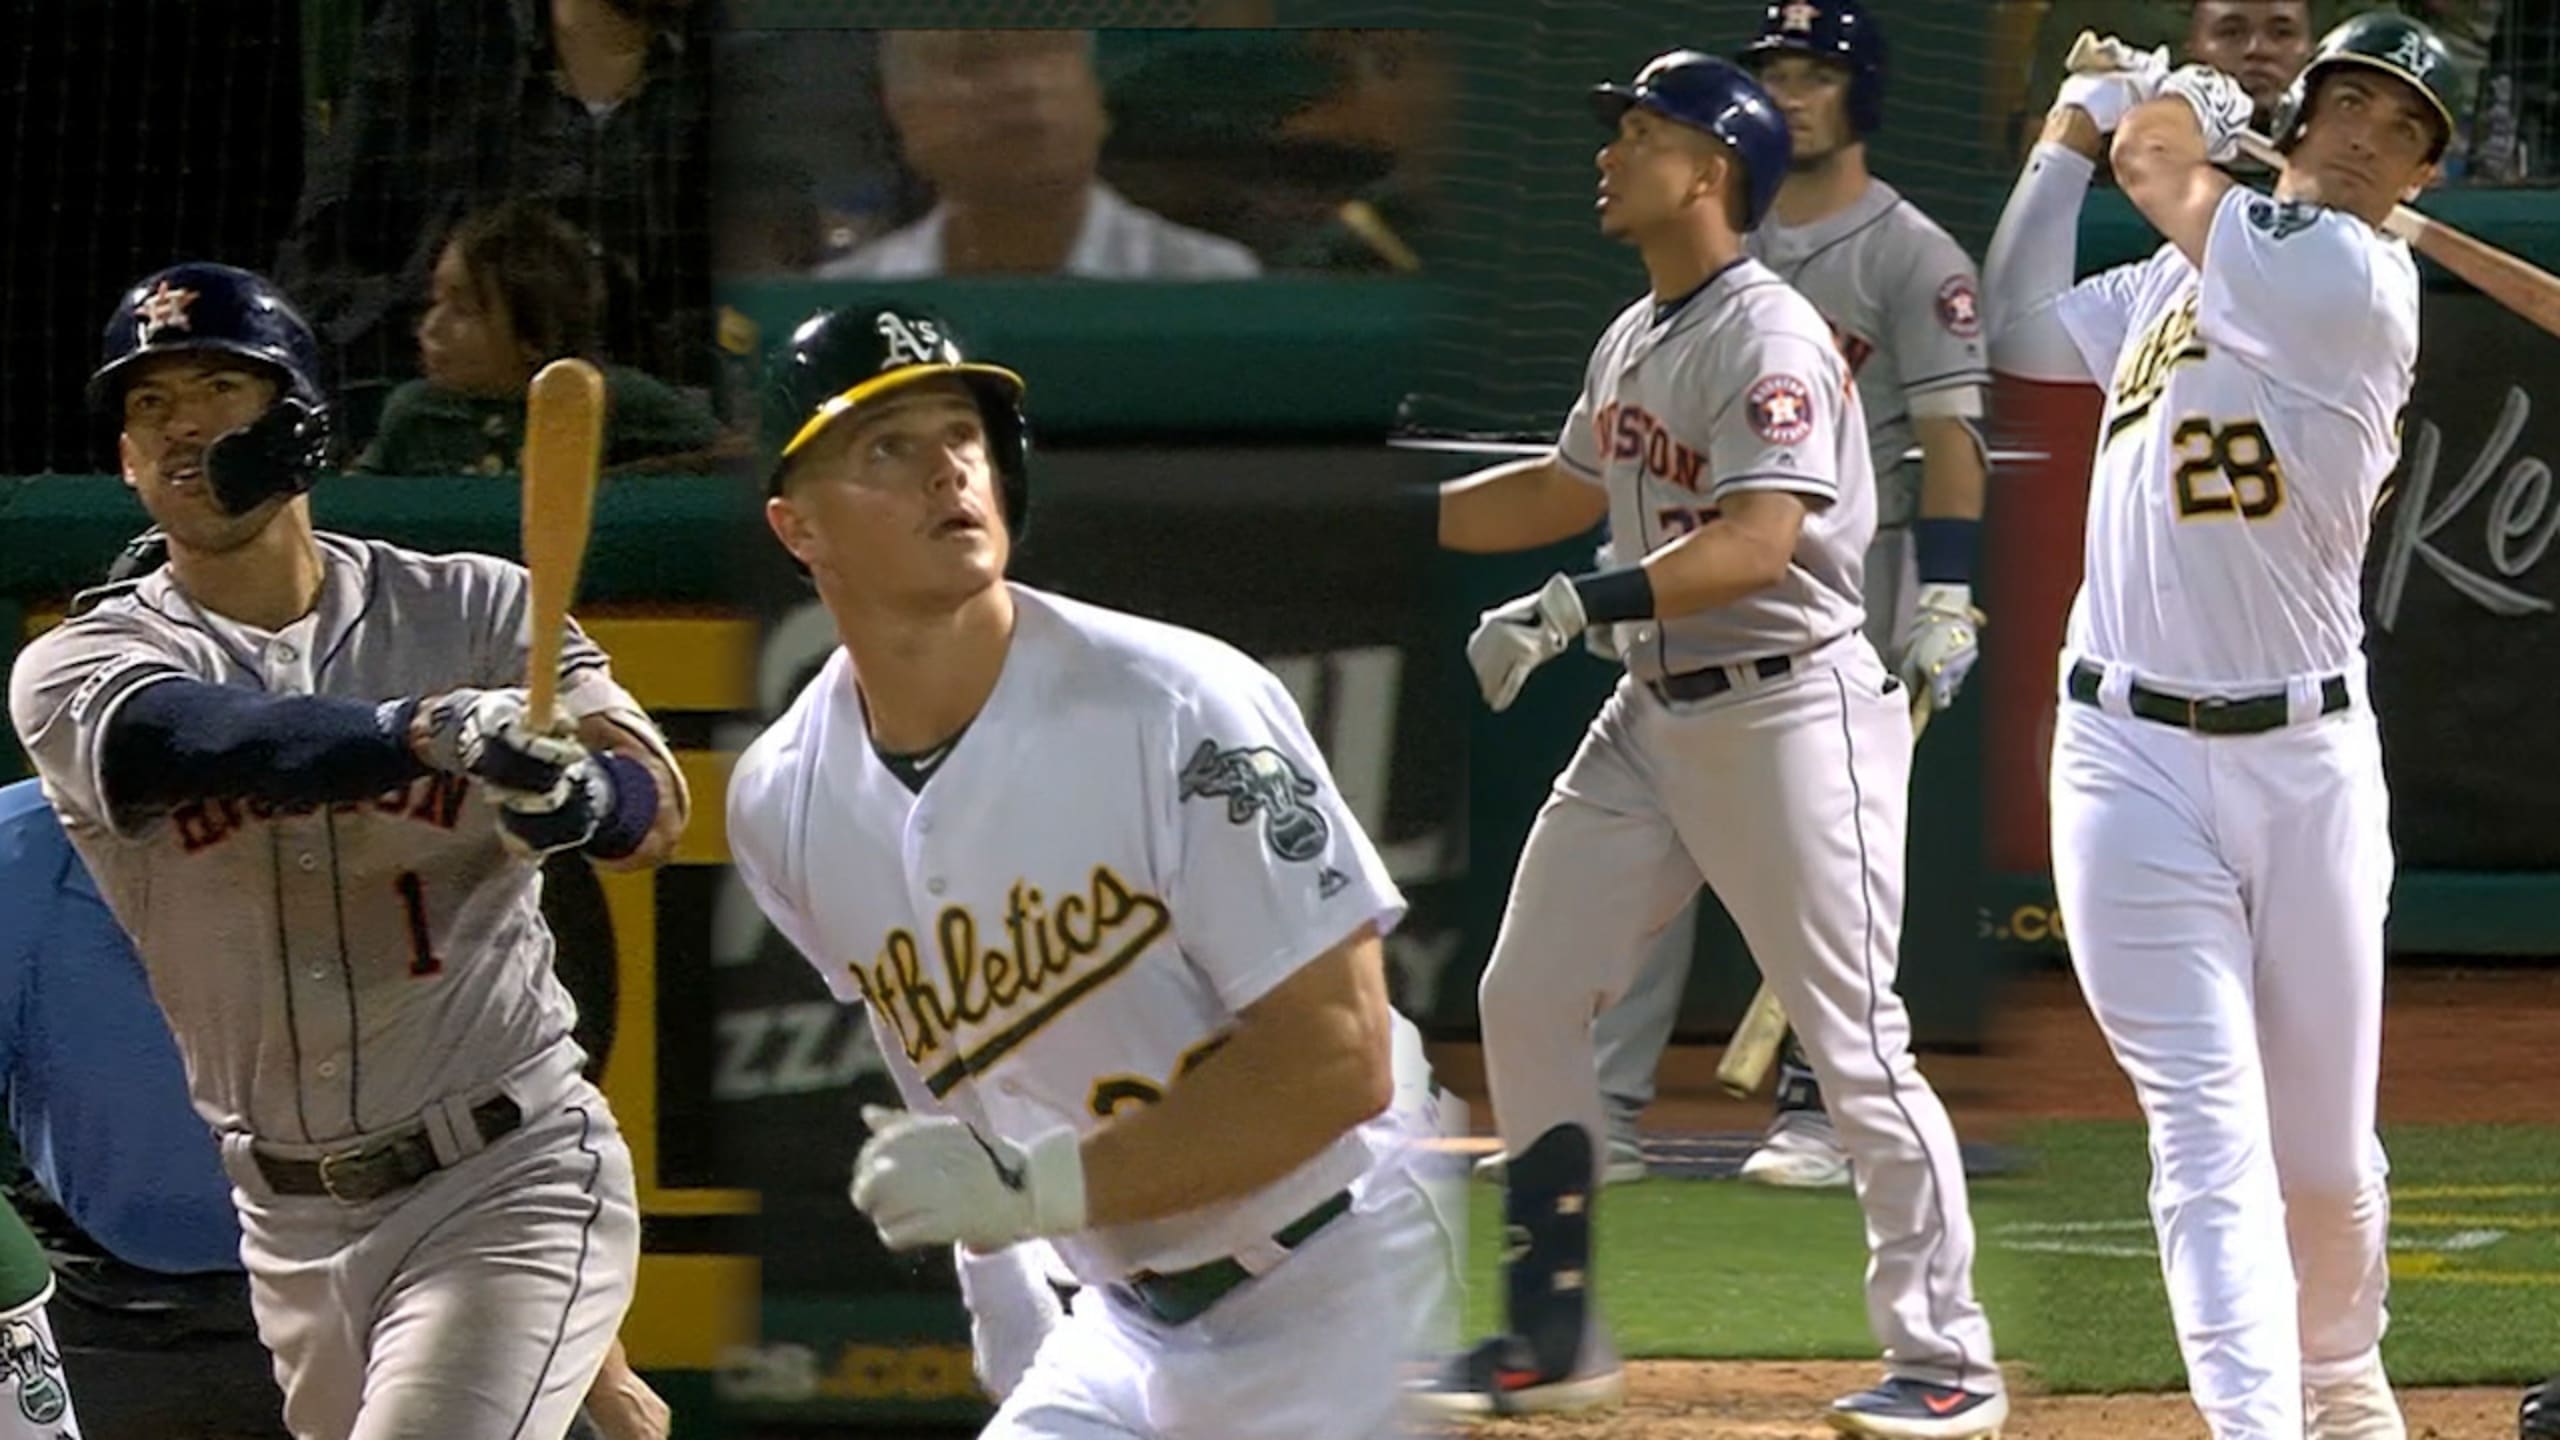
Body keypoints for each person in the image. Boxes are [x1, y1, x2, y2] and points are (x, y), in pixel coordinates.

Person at [1409, 51, 2004, 1436]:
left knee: (1857, 1048)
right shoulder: (1638, 330)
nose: (1609, 152)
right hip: (1652, 715)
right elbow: (1567, 483)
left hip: (1791, 712)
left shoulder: (1771, 337)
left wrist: (1573, 606)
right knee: (1526, 993)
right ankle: (1552, 1333)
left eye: (1638, 131)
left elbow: (1755, 545)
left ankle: (1951, 1357)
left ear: (1712, 168)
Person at [723, 301, 1446, 1439]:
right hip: (1119, 1325)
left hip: (1348, 1279)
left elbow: (1337, 1062)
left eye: (960, 433)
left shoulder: (1177, 703)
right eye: (885, 447)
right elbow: (939, 1053)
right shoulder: (781, 796)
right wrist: (1001, 1283)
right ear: (795, 529)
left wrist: (1034, 1198)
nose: (946, 471)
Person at [6, 260, 690, 1439]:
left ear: (301, 424)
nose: (178, 425)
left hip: (504, 1172)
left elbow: (651, 806)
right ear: (121, 459)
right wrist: (423, 733)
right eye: (148, 405)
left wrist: (579, 797)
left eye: (217, 386)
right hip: (286, 1220)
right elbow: (212, 740)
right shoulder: (75, 663)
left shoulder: (476, 610)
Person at [1981, 13, 2456, 1438]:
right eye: (2352, 104)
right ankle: (2260, 1427)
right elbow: (2014, 321)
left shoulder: (2352, 284)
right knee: (2205, 1136)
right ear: (2301, 115)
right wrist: (2073, 135)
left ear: (2423, 178)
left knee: (2324, 1161)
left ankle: (2339, 1367)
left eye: (2406, 128)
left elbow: (2161, 161)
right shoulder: (2191, 272)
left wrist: (2136, 106)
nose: (2370, 134)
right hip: (2121, 749)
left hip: (2304, 759)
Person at [1542, 0, 1996, 1196]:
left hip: (1852, 565)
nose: (1790, 92)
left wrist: (1946, 591)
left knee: (1832, 870)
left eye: (1816, 73)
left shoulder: (1913, 255)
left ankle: (1818, 1110)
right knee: (1643, 840)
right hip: (1690, 562)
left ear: (1863, 95)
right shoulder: (1710, 246)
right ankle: (1602, 1110)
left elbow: (1952, 439)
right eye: (1773, 73)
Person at [0, 774, 669, 1440]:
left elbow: (496, 1132)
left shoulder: (391, 842)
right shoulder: (16, 857)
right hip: (106, 1318)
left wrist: (601, 1369)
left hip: (384, 1286)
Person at [275, 0, 713, 445]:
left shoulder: (733, 62)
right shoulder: (434, 38)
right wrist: (446, 336)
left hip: (650, 439)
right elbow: (314, 268)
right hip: (428, 429)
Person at [817, 30, 1262, 280]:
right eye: (976, 61)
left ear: (1097, 99)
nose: (1023, 86)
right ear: (903, 112)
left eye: (1049, 54)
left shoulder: (1209, 280)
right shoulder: (849, 300)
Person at [351, 201, 728, 477]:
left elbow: (737, 459)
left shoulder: (613, 398)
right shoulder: (414, 414)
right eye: (435, 302)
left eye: (464, 310)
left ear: (535, 336)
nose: (431, 327)